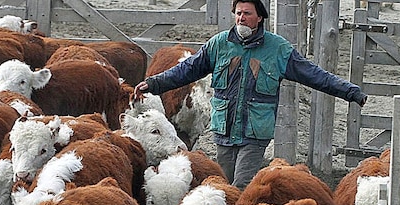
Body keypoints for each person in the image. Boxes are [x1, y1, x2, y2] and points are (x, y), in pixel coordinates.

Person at [134, 0, 368, 189]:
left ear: (259, 17)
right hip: (224, 129)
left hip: (254, 132)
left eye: (246, 13)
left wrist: (351, 92)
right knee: (224, 185)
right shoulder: (219, 44)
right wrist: (154, 83)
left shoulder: (277, 49)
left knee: (241, 185)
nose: (241, 17)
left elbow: (315, 75)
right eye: (238, 13)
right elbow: (186, 70)